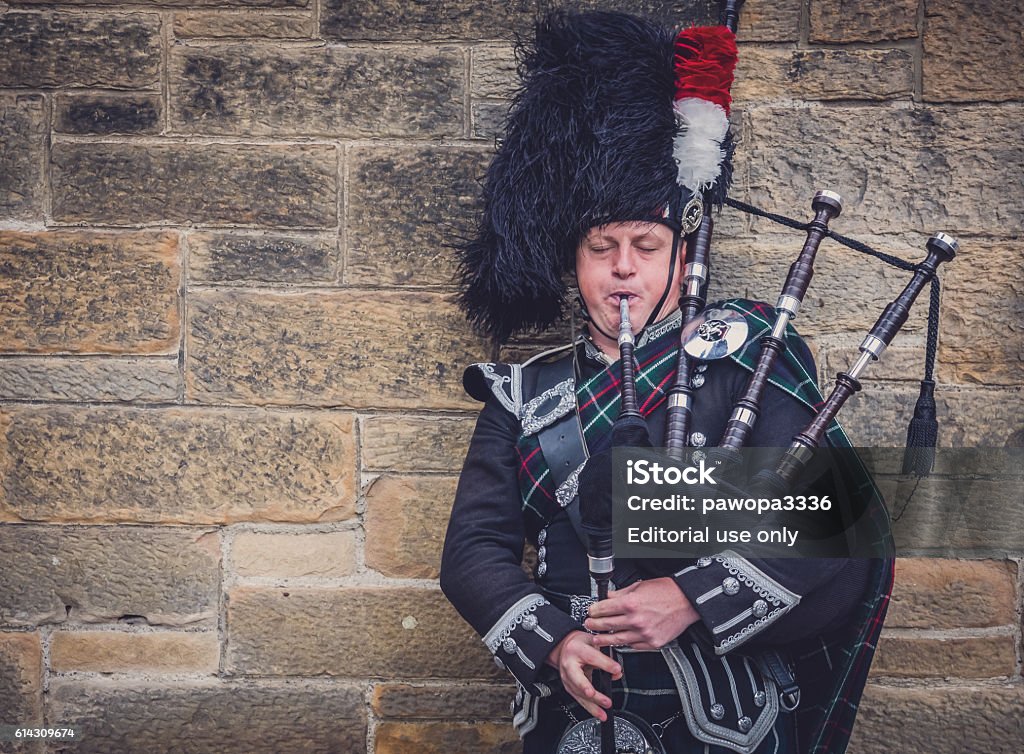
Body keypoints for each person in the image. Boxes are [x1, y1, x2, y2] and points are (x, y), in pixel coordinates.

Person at [440, 11, 892, 754]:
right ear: (574, 264)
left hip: (728, 717)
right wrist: (554, 643)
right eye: (601, 247)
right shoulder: (520, 393)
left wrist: (689, 595)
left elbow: (828, 515)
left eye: (646, 245)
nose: (623, 267)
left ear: (683, 260)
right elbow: (474, 552)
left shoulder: (750, 359)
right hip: (573, 716)